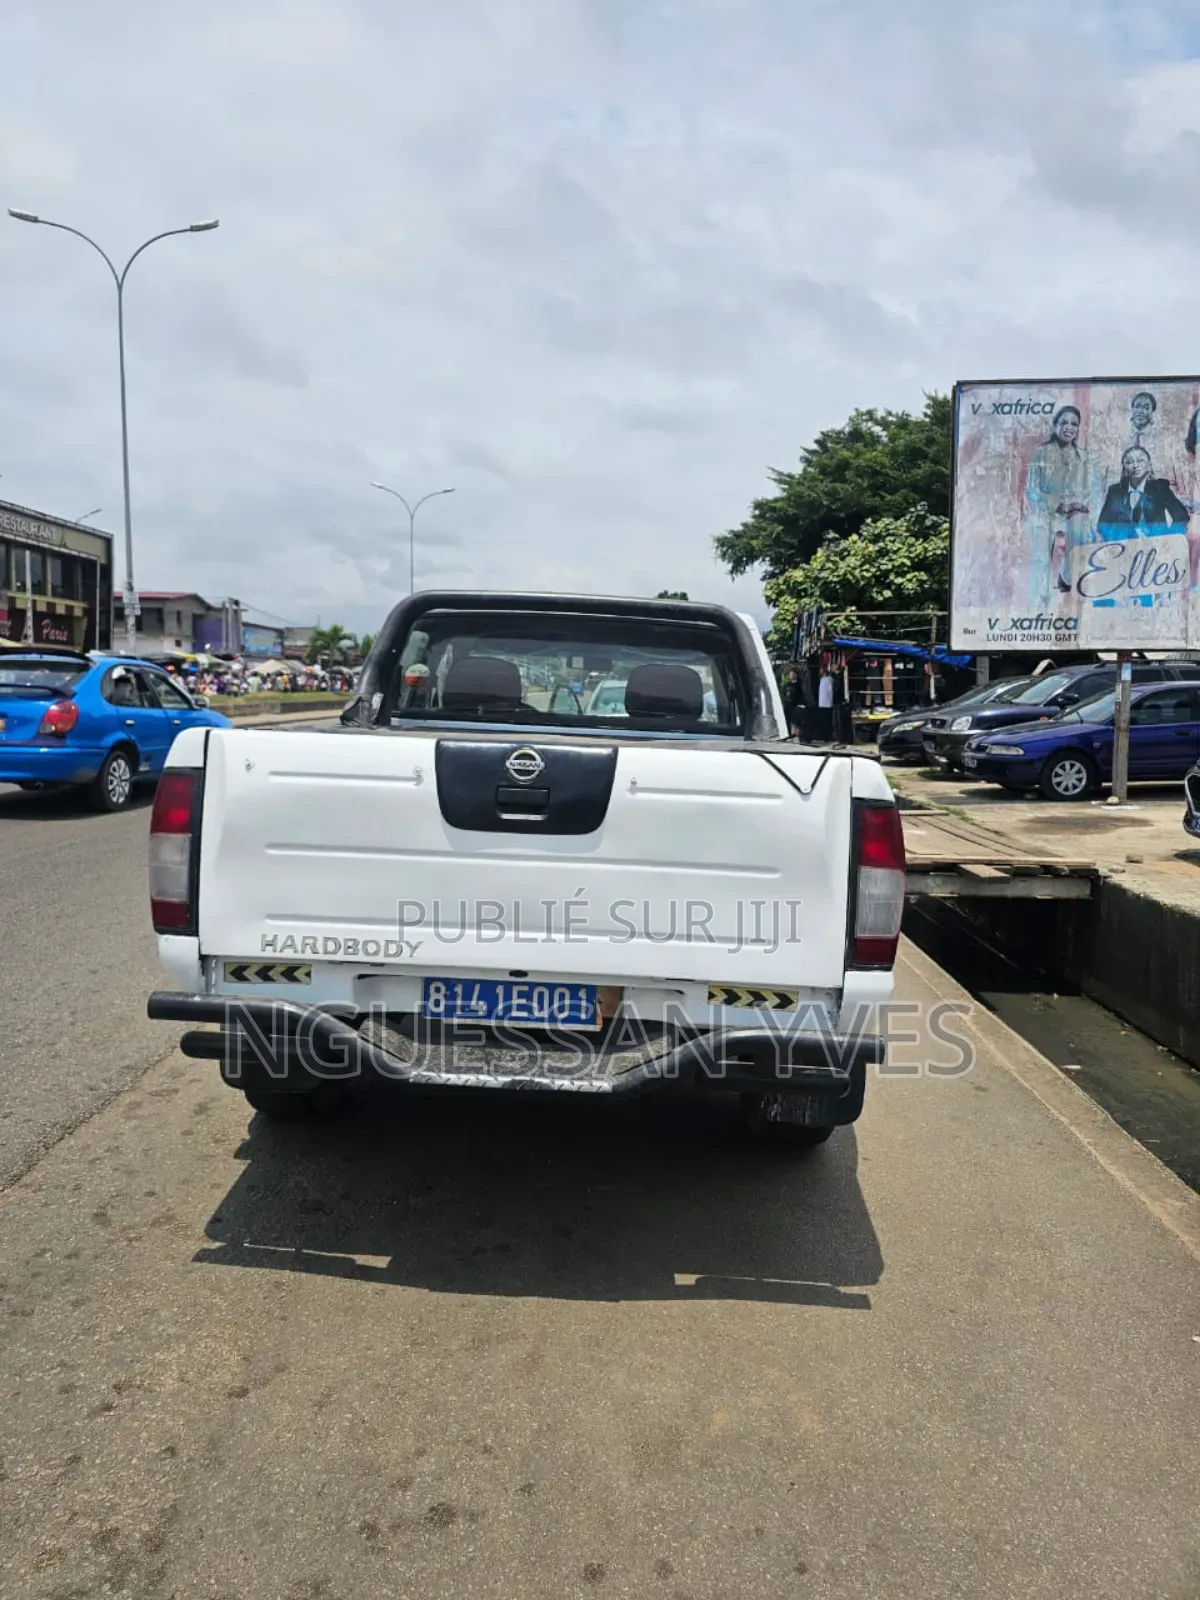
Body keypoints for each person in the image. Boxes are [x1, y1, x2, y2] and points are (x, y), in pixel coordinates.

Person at [1093, 446, 1190, 609]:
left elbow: (1182, 517)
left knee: (1148, 601)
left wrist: (1168, 539)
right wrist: (1113, 542)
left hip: (1154, 549)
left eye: (1140, 461)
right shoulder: (1115, 491)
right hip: (1123, 549)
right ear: (1124, 467)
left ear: (1149, 465)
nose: (1135, 465)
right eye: (1129, 462)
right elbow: (1103, 523)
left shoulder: (1161, 489)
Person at [1023, 405, 1092, 602]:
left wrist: (1079, 505)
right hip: (1044, 512)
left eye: (1074, 424)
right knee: (1041, 557)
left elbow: (1089, 489)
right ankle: (1039, 602)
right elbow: (1031, 490)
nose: (1069, 427)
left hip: (1073, 512)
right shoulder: (1041, 452)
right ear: (1055, 425)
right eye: (1064, 422)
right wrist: (1058, 505)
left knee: (1082, 534)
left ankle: (1066, 580)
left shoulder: (1083, 456)